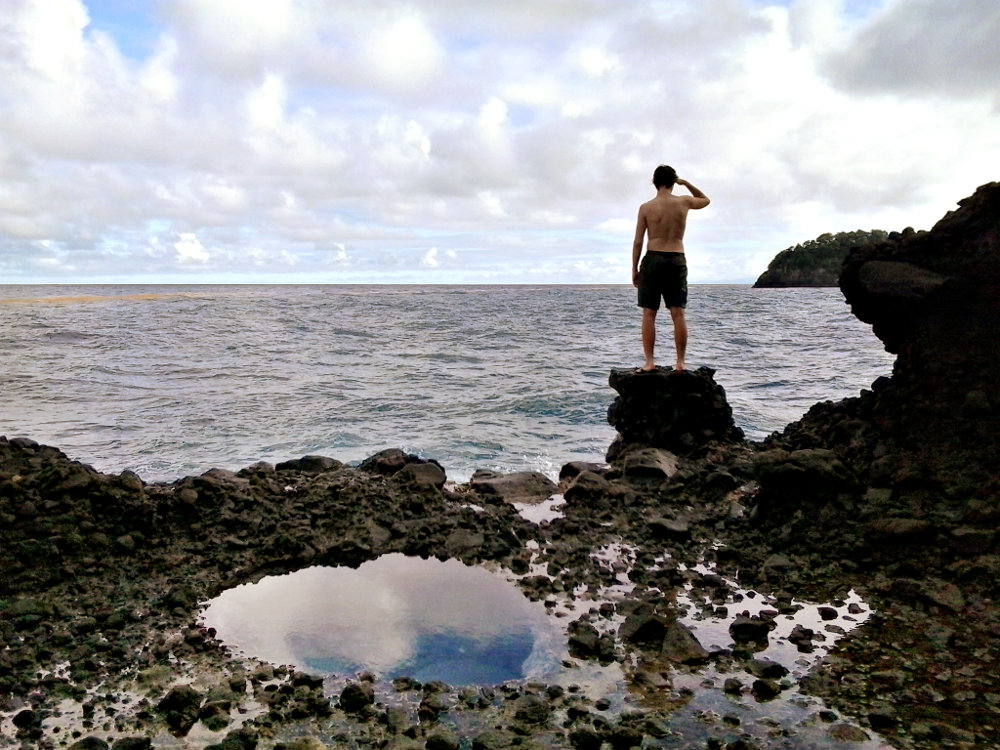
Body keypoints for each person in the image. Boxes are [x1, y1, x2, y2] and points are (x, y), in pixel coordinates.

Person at [631, 165, 710, 372]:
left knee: (649, 313)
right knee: (678, 314)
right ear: (673, 181)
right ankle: (681, 362)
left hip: (653, 258)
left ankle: (649, 362)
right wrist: (686, 183)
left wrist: (634, 269)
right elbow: (705, 199)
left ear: (654, 182)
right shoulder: (683, 202)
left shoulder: (646, 208)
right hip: (676, 257)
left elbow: (638, 242)